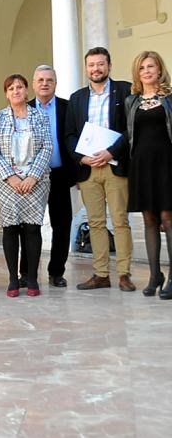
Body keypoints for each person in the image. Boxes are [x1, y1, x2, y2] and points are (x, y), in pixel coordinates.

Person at [65, 47, 134, 291]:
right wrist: (81, 158)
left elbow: (130, 128)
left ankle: (124, 274)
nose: (96, 69)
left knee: (120, 220)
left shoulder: (125, 90)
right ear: (86, 69)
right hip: (88, 170)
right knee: (95, 222)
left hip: (115, 166)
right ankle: (101, 274)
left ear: (109, 65)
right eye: (91, 65)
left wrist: (111, 152)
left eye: (100, 64)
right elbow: (70, 134)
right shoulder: (77, 98)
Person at [0, 74, 52, 297]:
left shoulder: (40, 117)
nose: (16, 91)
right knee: (11, 228)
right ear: (6, 93)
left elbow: (47, 147)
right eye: (11, 88)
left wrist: (32, 176)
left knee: (33, 228)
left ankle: (32, 278)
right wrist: (11, 177)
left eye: (20, 87)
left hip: (36, 182)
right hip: (8, 184)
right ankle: (13, 279)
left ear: (27, 91)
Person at [124, 51, 172, 299]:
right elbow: (129, 135)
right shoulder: (132, 102)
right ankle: (155, 276)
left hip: (166, 162)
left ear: (159, 69)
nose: (146, 71)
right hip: (141, 164)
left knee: (168, 218)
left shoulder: (170, 99)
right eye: (142, 67)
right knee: (149, 219)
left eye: (151, 66)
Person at [27, 65, 76, 288]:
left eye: (49, 80)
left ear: (55, 83)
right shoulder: (23, 109)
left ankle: (56, 272)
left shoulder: (68, 108)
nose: (45, 83)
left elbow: (74, 139)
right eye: (40, 80)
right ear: (34, 84)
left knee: (62, 224)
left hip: (59, 175)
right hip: (32, 177)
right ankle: (28, 273)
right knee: (29, 226)